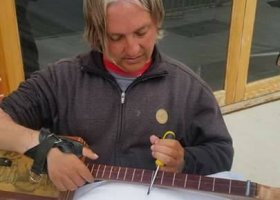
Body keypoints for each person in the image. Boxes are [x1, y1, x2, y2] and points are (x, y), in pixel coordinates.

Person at [0, 0, 233, 192]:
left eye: (141, 32)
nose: (132, 49)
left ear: (156, 22)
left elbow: (221, 152)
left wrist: (184, 160)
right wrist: (44, 149)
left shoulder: (187, 87)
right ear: (96, 34)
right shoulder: (61, 79)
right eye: (116, 38)